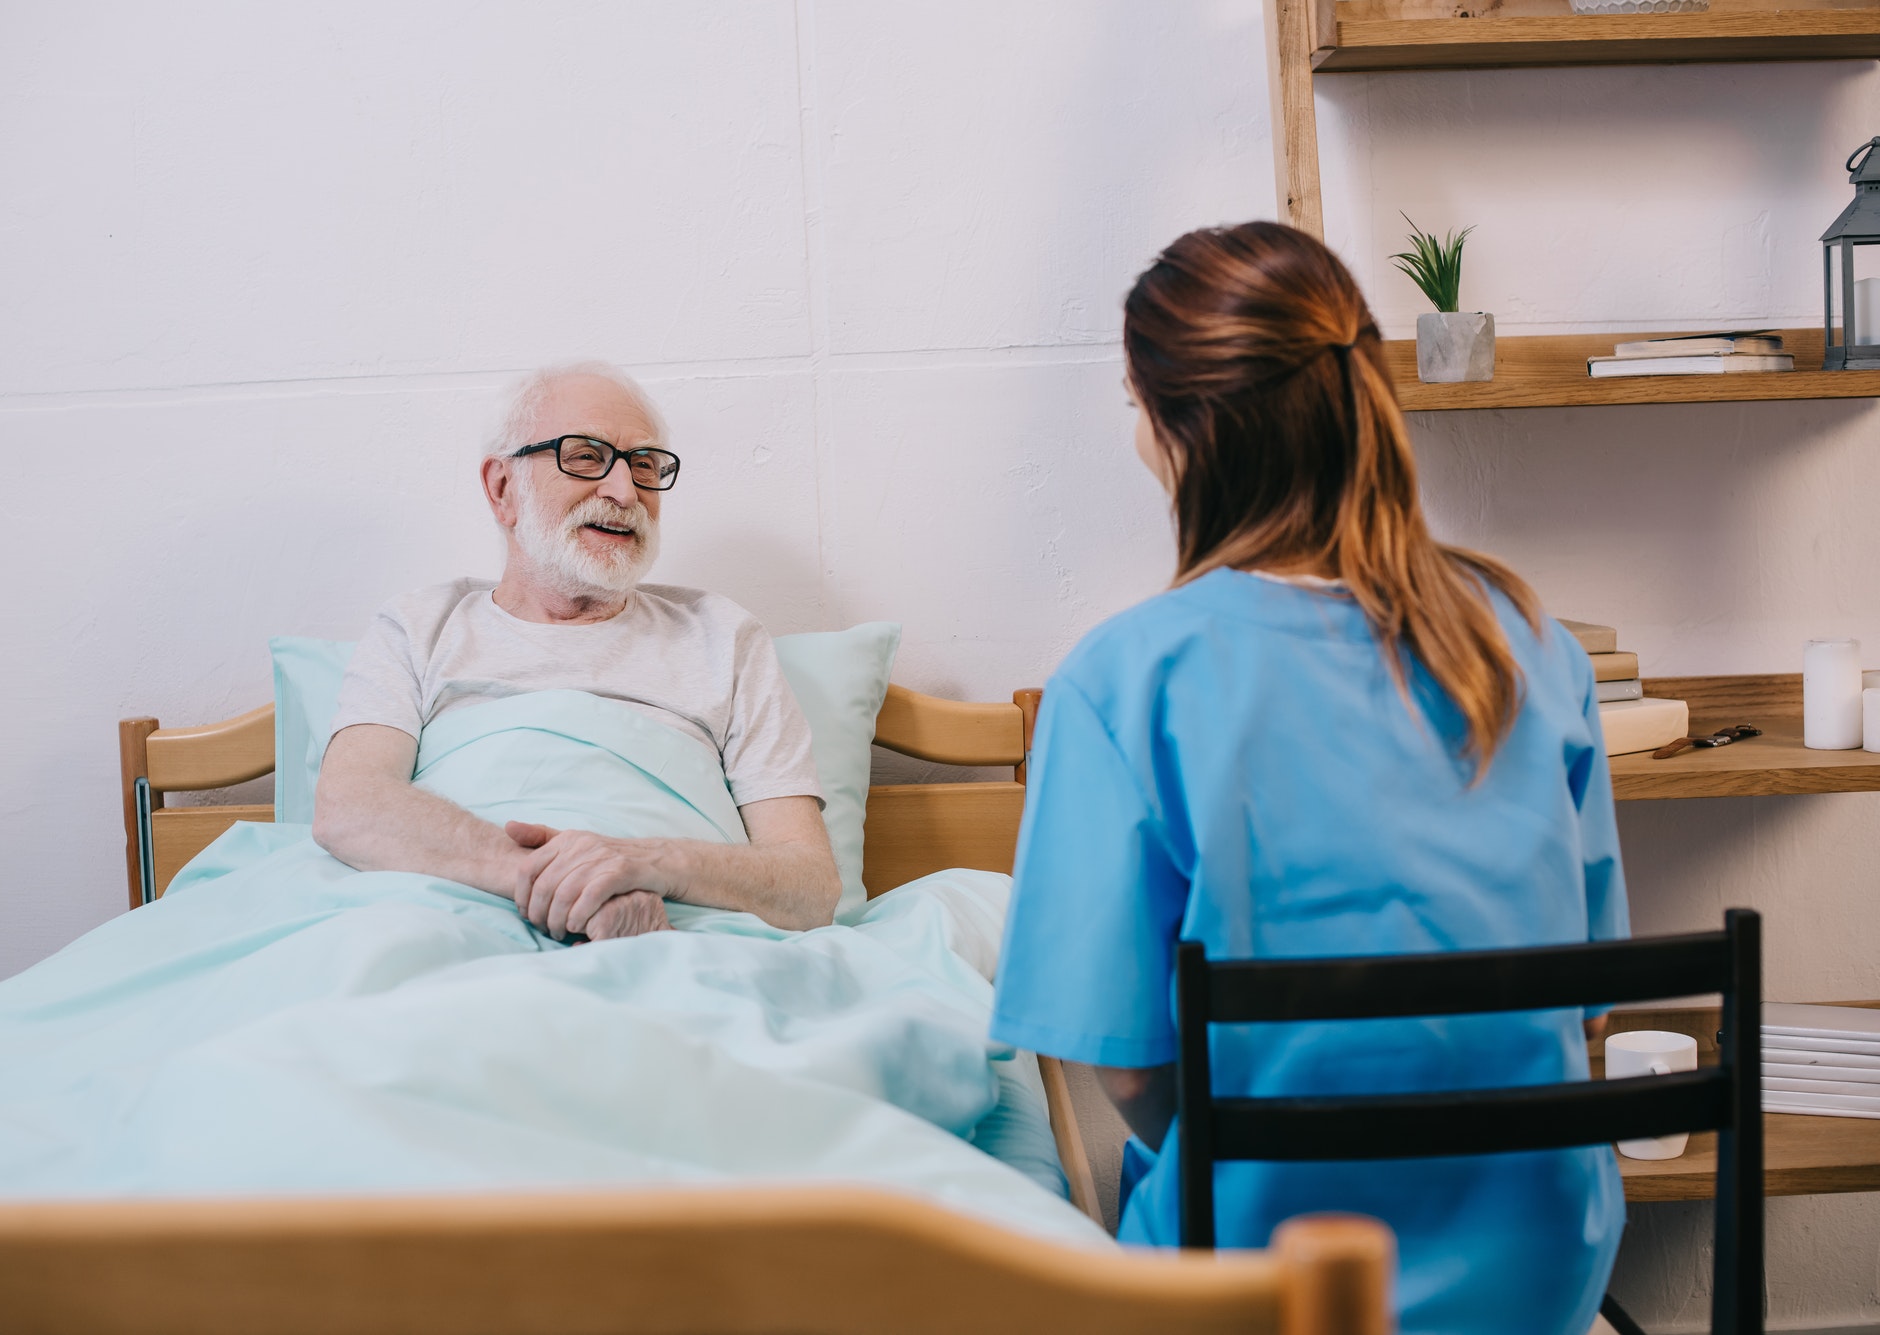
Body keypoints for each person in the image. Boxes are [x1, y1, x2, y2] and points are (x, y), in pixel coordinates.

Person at [989, 223, 1627, 1335]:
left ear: (1183, 430)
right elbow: (1583, 993)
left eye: (1136, 405)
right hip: (1537, 1265)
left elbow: (1131, 1073)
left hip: (1263, 1282)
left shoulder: (1121, 682)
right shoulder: (1530, 641)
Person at [312, 362, 839, 940]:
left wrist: (648, 866)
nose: (624, 491)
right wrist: (569, 887)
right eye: (585, 456)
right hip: (439, 922)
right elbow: (350, 805)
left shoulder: (722, 635)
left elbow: (809, 886)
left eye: (643, 465)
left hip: (683, 933)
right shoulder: (419, 626)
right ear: (502, 488)